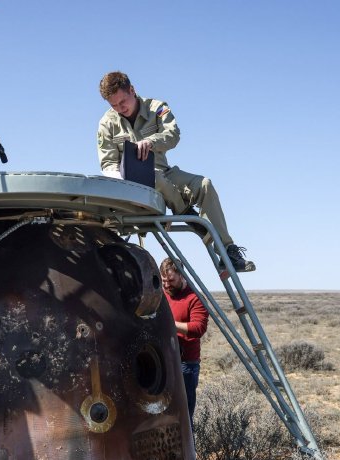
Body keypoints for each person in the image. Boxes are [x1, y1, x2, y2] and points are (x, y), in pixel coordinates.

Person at [97, 71, 255, 273]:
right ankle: (187, 214)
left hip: (166, 173)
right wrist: (125, 177)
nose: (120, 109)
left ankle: (228, 252)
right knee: (154, 178)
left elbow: (173, 135)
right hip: (134, 185)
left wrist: (151, 142)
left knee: (204, 185)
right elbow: (108, 165)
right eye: (114, 105)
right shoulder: (107, 123)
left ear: (132, 90)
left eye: (123, 102)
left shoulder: (157, 108)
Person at [160, 258, 209, 422]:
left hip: (186, 365)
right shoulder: (162, 295)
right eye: (163, 281)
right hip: (162, 361)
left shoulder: (195, 298)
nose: (167, 285)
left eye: (171, 281)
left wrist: (169, 325)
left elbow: (198, 328)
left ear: (181, 276)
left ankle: (189, 448)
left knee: (183, 418)